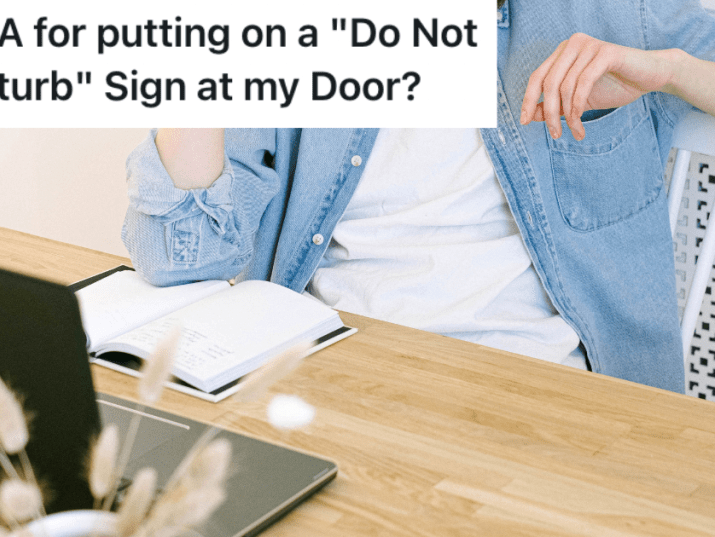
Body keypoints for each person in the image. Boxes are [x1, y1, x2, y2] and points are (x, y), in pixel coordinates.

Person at [122, 0, 715, 393]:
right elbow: (181, 257)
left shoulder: (614, 10)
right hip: (331, 367)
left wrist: (672, 69)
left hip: (543, 379)